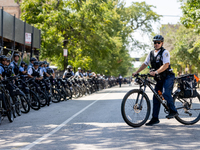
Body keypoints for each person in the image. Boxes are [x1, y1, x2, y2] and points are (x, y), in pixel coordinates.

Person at [132, 35, 178, 126]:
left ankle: (173, 111)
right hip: (159, 79)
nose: (156, 44)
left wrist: (156, 71)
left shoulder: (165, 52)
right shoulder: (151, 53)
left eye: (158, 42)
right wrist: (137, 72)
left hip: (168, 77)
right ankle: (155, 118)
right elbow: (145, 64)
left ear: (162, 43)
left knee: (165, 93)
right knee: (156, 97)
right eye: (155, 42)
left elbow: (166, 65)